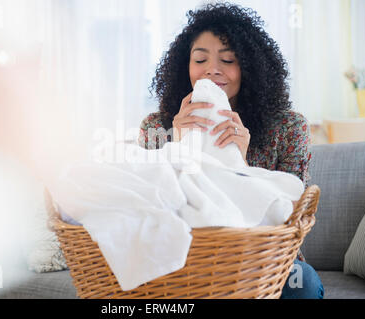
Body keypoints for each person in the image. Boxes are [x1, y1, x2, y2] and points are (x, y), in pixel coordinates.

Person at [138, 3, 324, 299]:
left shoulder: (289, 127)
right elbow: (147, 207)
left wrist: (242, 163)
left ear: (250, 68)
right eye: (200, 59)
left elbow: (292, 215)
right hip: (187, 255)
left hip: (265, 260)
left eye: (227, 60)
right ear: (184, 66)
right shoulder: (157, 126)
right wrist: (178, 148)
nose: (212, 69)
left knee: (303, 285)